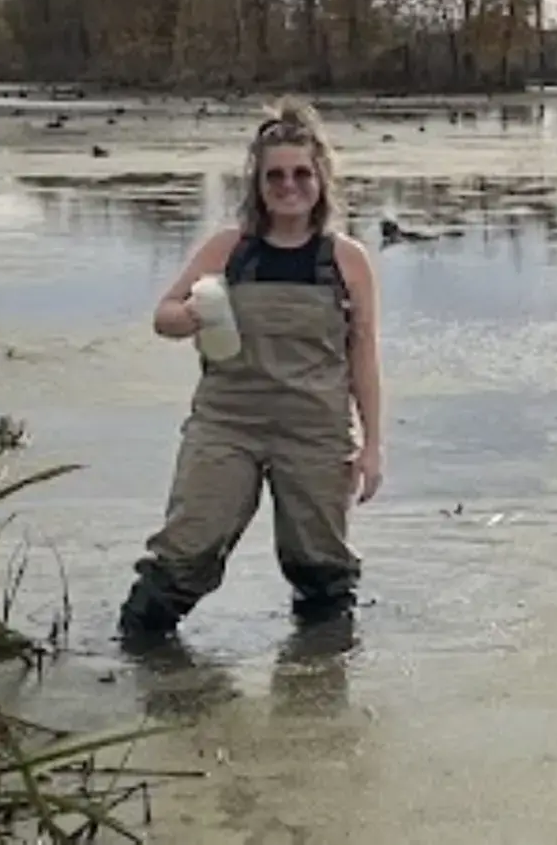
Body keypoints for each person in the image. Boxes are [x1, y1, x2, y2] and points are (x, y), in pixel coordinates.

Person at [118, 97, 385, 639]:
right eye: (275, 176)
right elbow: (163, 317)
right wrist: (190, 314)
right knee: (184, 556)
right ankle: (143, 672)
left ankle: (315, 699)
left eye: (301, 173)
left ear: (322, 179)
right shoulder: (229, 249)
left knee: (322, 571)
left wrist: (373, 444)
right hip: (226, 425)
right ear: (257, 184)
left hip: (315, 430)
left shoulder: (347, 260)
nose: (289, 186)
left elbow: (364, 354)